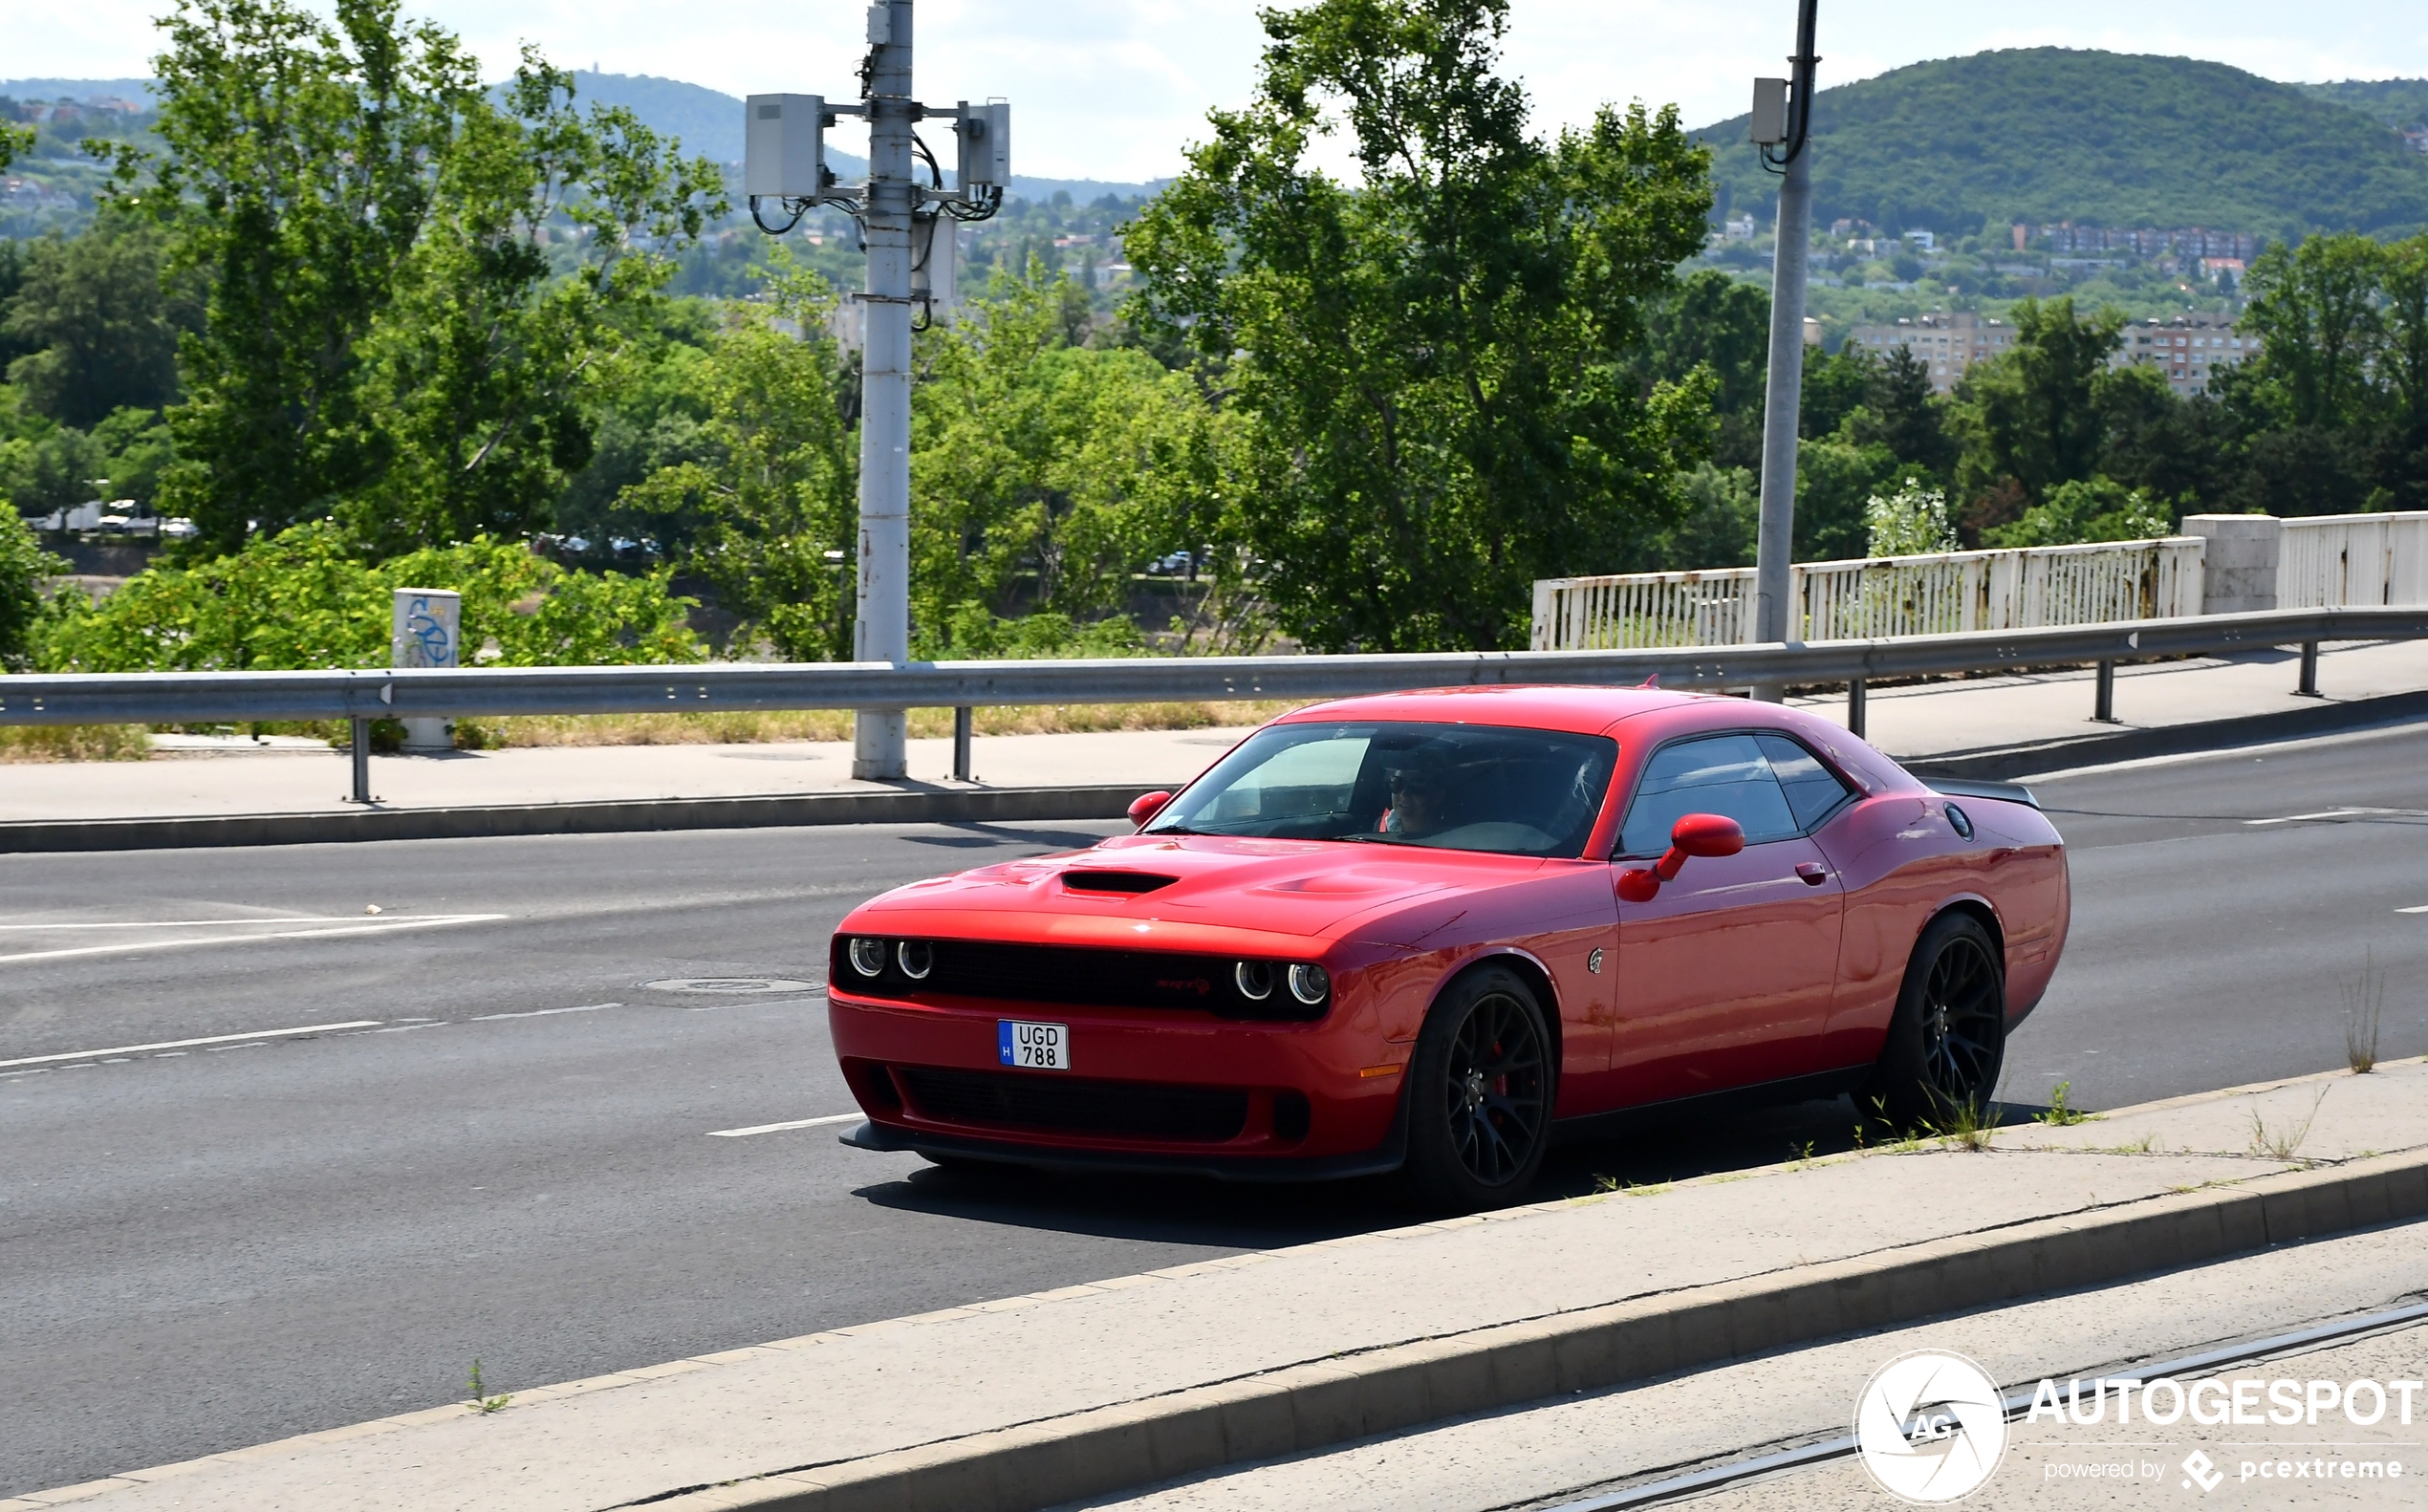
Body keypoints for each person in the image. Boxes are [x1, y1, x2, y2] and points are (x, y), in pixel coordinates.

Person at [1378, 747, 1455, 839]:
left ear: (1438, 795)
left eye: (1416, 786)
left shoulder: (1453, 839)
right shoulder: (1377, 830)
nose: (1404, 794)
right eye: (1397, 784)